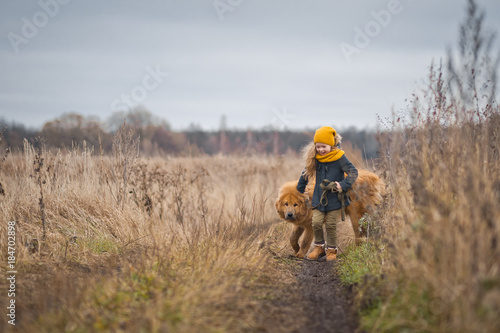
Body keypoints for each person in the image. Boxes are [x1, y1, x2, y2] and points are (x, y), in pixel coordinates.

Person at [296, 126, 358, 261]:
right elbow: (305, 173)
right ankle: (319, 248)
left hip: (335, 198)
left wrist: (343, 184)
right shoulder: (315, 158)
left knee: (330, 224)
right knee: (316, 222)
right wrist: (299, 189)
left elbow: (353, 172)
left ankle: (331, 251)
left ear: (331, 145)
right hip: (319, 199)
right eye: (318, 147)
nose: (321, 150)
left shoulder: (340, 157)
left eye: (324, 146)